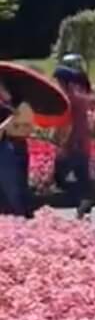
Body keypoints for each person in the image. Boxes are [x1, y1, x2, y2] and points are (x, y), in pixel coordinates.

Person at [53, 67, 92, 218]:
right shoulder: (79, 97)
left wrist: (62, 145)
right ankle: (84, 202)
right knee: (82, 176)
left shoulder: (67, 100)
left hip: (72, 144)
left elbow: (67, 124)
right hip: (83, 143)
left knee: (59, 177)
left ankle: (81, 200)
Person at [0, 79, 33, 217]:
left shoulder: (19, 105)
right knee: (11, 192)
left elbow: (27, 127)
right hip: (8, 147)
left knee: (14, 190)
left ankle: (21, 221)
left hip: (12, 148)